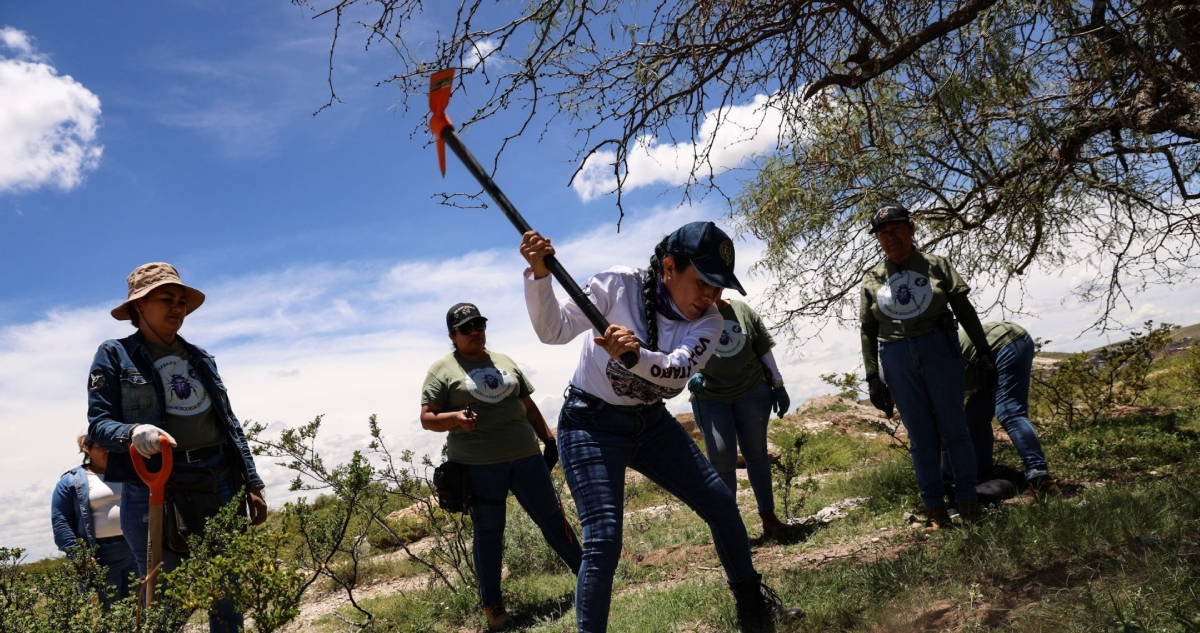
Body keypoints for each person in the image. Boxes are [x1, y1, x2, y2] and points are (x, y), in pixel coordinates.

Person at [520, 221, 801, 633]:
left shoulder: (710, 321)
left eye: (719, 287)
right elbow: (553, 330)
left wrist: (638, 354)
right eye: (703, 282)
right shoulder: (617, 285)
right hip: (589, 424)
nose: (710, 296)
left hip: (650, 423)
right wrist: (540, 276)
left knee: (721, 505)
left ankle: (756, 613)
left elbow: (675, 375)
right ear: (669, 267)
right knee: (603, 540)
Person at [87, 263, 267, 632]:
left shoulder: (200, 357)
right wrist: (135, 431)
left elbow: (229, 423)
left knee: (227, 589)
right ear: (139, 307)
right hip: (156, 484)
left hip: (219, 479)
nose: (177, 308)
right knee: (163, 594)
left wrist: (252, 481)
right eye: (166, 299)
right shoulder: (116, 355)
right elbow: (99, 424)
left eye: (182, 301)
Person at [420, 302, 583, 631]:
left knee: (552, 518)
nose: (475, 332)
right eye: (466, 328)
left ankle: (588, 577)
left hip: (525, 457)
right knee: (490, 534)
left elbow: (527, 404)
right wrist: (455, 418)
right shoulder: (442, 369)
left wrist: (548, 439)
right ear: (453, 335)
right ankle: (494, 609)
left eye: (479, 324)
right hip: (479, 466)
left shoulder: (504, 361)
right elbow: (427, 418)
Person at [859, 205, 997, 529]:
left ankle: (967, 502)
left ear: (911, 228)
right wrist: (872, 378)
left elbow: (964, 309)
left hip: (938, 347)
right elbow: (867, 329)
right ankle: (934, 508)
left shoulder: (936, 265)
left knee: (954, 429)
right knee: (920, 436)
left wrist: (985, 352)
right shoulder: (873, 279)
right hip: (895, 356)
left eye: (896, 229)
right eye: (882, 233)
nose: (890, 238)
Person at [686, 298, 794, 539]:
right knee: (722, 456)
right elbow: (676, 351)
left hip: (753, 390)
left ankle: (769, 518)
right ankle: (730, 529)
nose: (710, 290)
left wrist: (778, 382)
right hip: (710, 396)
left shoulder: (741, 310)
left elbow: (763, 345)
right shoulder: (687, 313)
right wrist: (689, 376)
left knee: (756, 453)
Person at [953, 321, 1057, 500]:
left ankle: (1041, 481)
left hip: (1007, 342)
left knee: (1009, 411)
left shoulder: (921, 379)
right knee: (975, 417)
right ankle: (984, 473)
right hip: (984, 365)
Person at [50, 430, 138, 608]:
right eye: (101, 447)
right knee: (107, 611)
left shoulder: (129, 473)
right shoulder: (70, 481)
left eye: (111, 447)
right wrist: (79, 555)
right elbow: (61, 522)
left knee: (137, 609)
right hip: (101, 554)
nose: (108, 451)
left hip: (135, 548)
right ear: (86, 449)